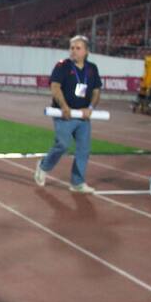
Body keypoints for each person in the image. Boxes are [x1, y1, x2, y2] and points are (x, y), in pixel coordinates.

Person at [34, 35, 101, 193]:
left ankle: (77, 182)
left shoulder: (92, 69)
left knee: (84, 149)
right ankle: (43, 166)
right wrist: (64, 107)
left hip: (83, 116)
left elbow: (97, 91)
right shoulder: (62, 66)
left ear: (86, 51)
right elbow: (55, 87)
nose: (74, 51)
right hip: (63, 115)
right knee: (63, 144)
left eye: (78, 48)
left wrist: (90, 107)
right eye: (72, 48)